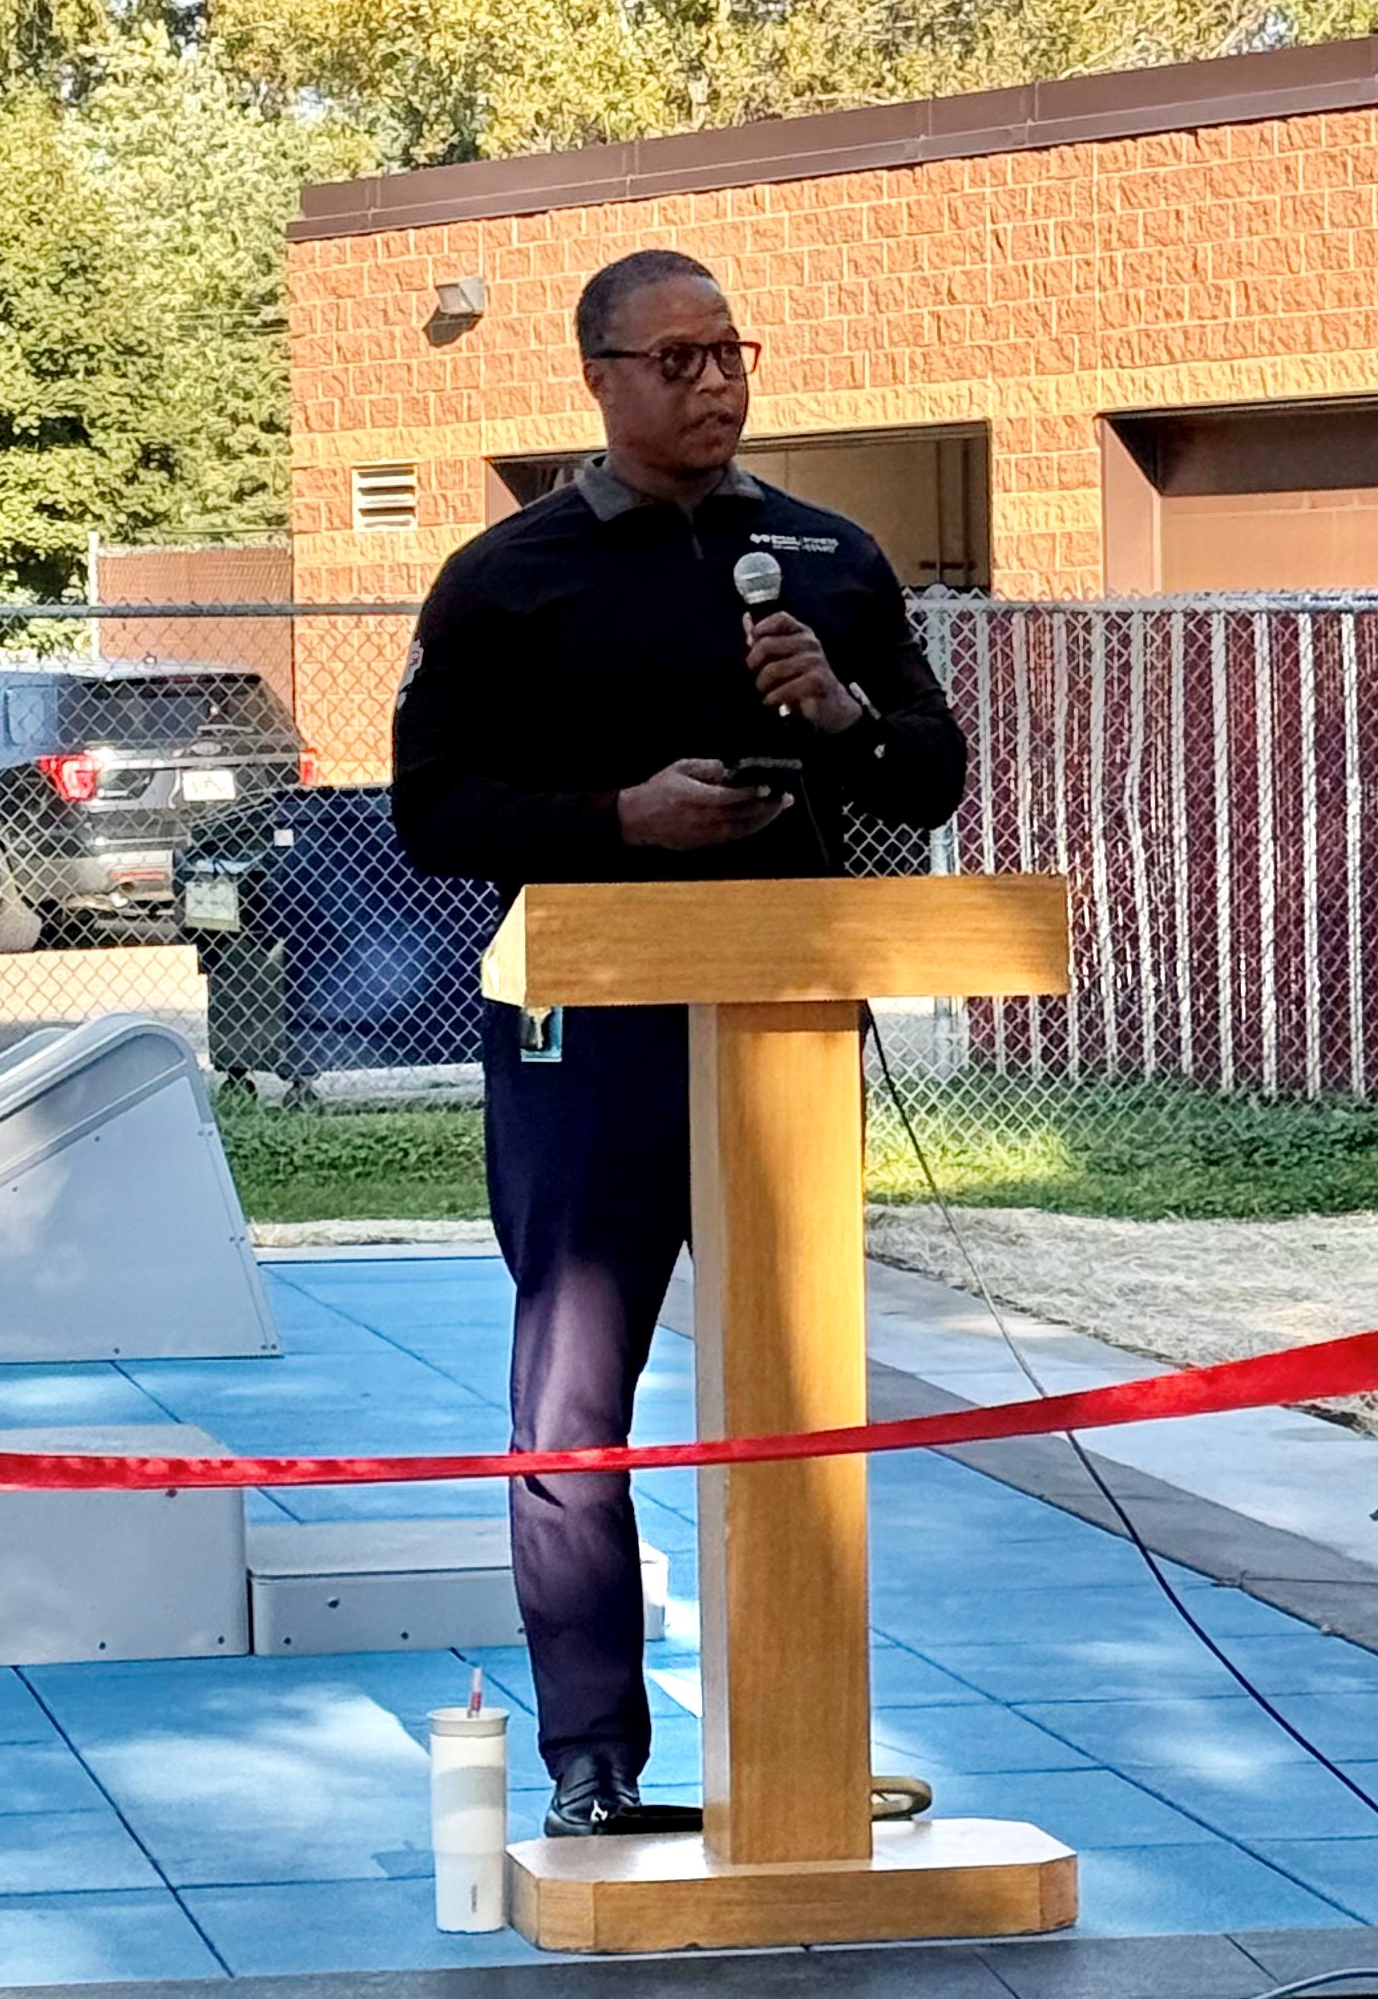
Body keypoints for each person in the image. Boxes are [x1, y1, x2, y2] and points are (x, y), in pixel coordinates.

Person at [391, 245, 967, 1835]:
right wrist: (617, 818)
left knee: (791, 1382)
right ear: (598, 376)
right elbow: (430, 810)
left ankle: (790, 1757)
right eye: (677, 358)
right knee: (574, 1393)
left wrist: (839, 717)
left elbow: (929, 779)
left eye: (731, 352)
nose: (714, 383)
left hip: (775, 1019)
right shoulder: (510, 575)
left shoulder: (827, 558)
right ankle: (592, 1757)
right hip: (593, 1022)